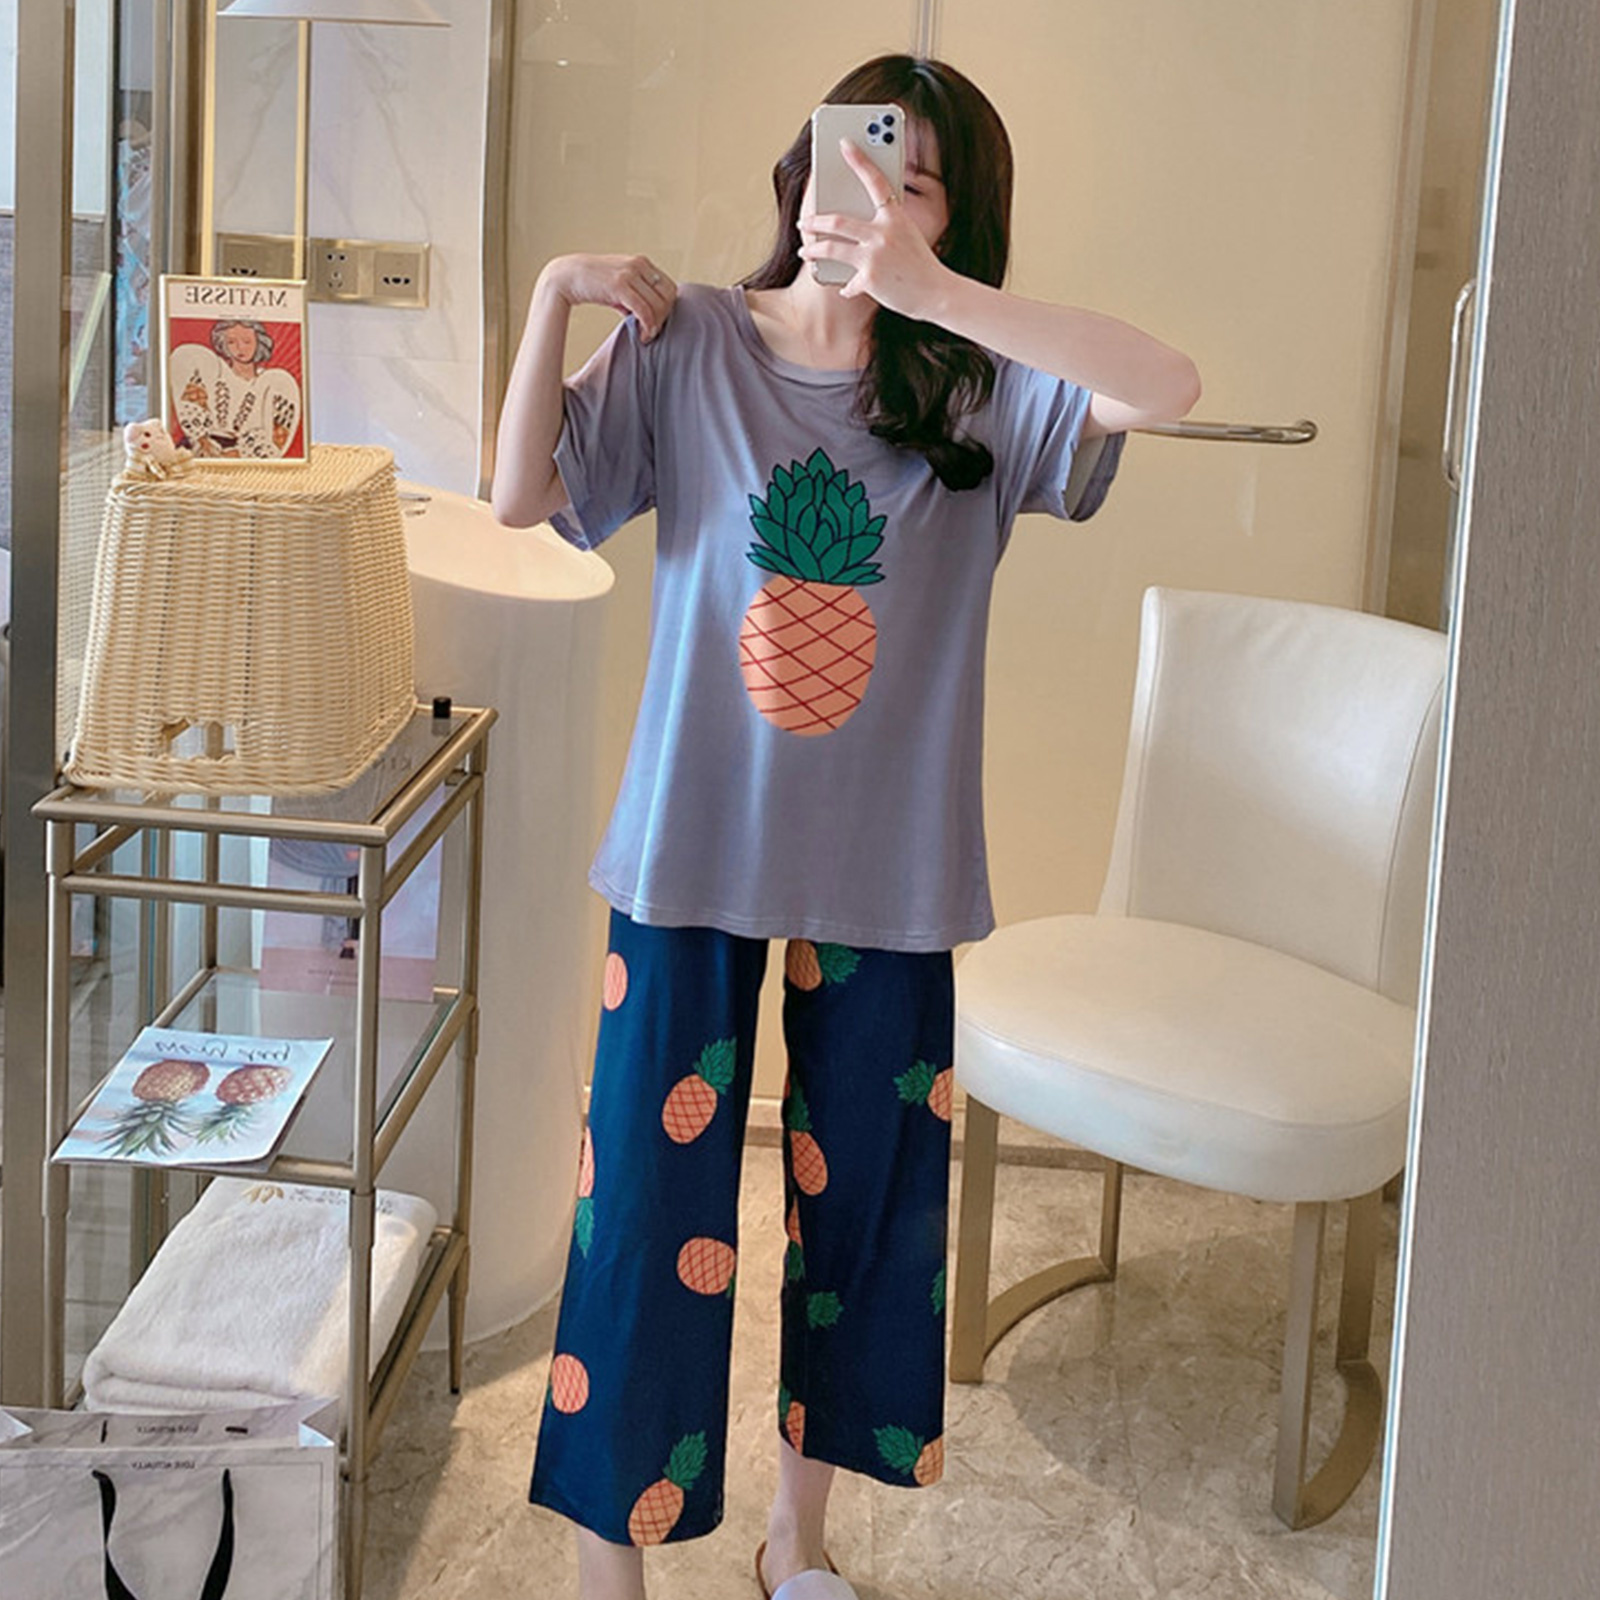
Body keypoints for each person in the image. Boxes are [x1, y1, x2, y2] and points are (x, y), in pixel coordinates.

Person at [492, 54, 1199, 1600]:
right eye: (854, 162)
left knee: (864, 1221)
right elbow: (520, 494)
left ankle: (795, 1544)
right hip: (686, 858)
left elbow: (1166, 383)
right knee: (643, 1223)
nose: (870, 197)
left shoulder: (977, 395)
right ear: (799, 173)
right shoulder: (688, 343)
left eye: (914, 182)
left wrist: (939, 298)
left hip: (891, 878)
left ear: (956, 224)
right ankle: (615, 1570)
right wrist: (554, 295)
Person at [169, 317, 301, 459]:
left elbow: (277, 437)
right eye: (231, 342)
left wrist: (237, 454)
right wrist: (203, 441)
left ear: (259, 342)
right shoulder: (211, 368)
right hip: (200, 453)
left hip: (245, 461)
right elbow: (190, 402)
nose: (240, 348)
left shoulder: (272, 383)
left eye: (247, 341)